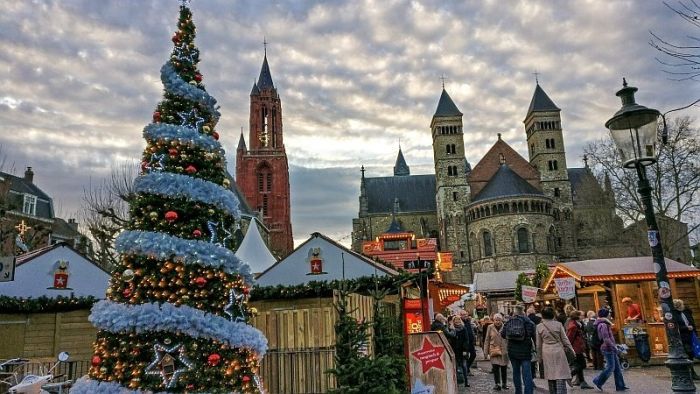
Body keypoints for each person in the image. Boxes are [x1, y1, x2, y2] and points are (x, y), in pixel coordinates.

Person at [537, 307, 575, 393]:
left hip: (546, 351)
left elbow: (538, 344)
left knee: (550, 374)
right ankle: (561, 391)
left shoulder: (539, 327)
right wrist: (571, 349)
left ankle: (553, 391)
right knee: (560, 373)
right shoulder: (558, 324)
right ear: (553, 315)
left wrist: (539, 358)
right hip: (558, 349)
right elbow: (565, 339)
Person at [501, 304, 536, 394]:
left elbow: (503, 334)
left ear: (515, 312)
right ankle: (528, 392)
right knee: (527, 375)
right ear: (523, 312)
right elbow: (534, 337)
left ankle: (518, 391)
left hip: (512, 351)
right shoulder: (529, 323)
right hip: (526, 352)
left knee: (516, 373)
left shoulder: (509, 322)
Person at [592, 308, 629, 391]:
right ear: (606, 315)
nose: (610, 316)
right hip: (607, 348)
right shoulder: (603, 325)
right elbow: (606, 338)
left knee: (617, 367)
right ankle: (598, 381)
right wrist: (614, 346)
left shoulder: (604, 324)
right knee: (610, 367)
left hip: (610, 348)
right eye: (609, 314)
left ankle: (620, 385)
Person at [673, 298, 700, 380]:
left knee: (692, 353)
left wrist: (695, 333)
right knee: (688, 353)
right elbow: (676, 327)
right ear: (678, 306)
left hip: (691, 336)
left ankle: (691, 372)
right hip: (683, 337)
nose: (683, 306)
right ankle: (690, 372)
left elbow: (692, 323)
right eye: (682, 305)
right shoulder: (675, 315)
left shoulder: (686, 312)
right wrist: (686, 328)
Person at [566, 310, 593, 389]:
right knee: (582, 364)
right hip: (576, 349)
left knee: (579, 365)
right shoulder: (573, 326)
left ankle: (582, 382)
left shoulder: (578, 325)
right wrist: (570, 348)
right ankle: (570, 375)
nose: (583, 316)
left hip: (578, 348)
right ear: (577, 316)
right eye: (581, 315)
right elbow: (569, 338)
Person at [485, 313, 509, 391]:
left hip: (503, 350)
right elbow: (487, 339)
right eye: (496, 320)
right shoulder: (490, 327)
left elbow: (508, 338)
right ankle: (497, 384)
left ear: (501, 320)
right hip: (494, 350)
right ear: (493, 320)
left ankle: (504, 383)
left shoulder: (505, 326)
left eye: (499, 320)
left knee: (504, 368)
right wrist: (486, 352)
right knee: (495, 368)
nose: (497, 322)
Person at [449, 317, 471, 387]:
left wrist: (465, 350)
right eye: (456, 320)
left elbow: (466, 340)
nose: (457, 321)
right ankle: (456, 382)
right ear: (453, 321)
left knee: (464, 366)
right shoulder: (451, 329)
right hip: (454, 350)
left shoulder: (463, 328)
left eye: (458, 320)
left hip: (462, 350)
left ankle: (466, 381)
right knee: (455, 366)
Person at [459, 310, 478, 375]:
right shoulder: (460, 322)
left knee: (473, 355)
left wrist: (473, 338)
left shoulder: (468, 321)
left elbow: (471, 330)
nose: (465, 316)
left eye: (466, 314)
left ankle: (467, 367)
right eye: (464, 315)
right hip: (464, 343)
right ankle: (466, 370)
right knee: (465, 357)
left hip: (471, 341)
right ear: (460, 315)